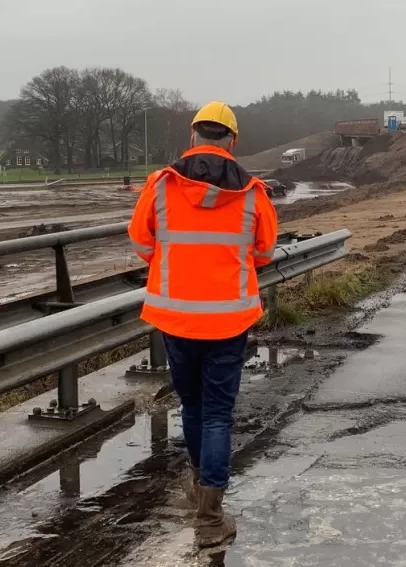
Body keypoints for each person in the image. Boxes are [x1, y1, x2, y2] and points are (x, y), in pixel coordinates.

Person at [128, 101, 278, 548]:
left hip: (176, 317)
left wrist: (175, 263)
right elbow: (264, 252)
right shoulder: (252, 192)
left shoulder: (161, 185)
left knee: (192, 407)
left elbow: (141, 241)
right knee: (217, 414)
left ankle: (199, 487)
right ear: (232, 141)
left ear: (193, 136)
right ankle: (210, 518)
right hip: (229, 320)